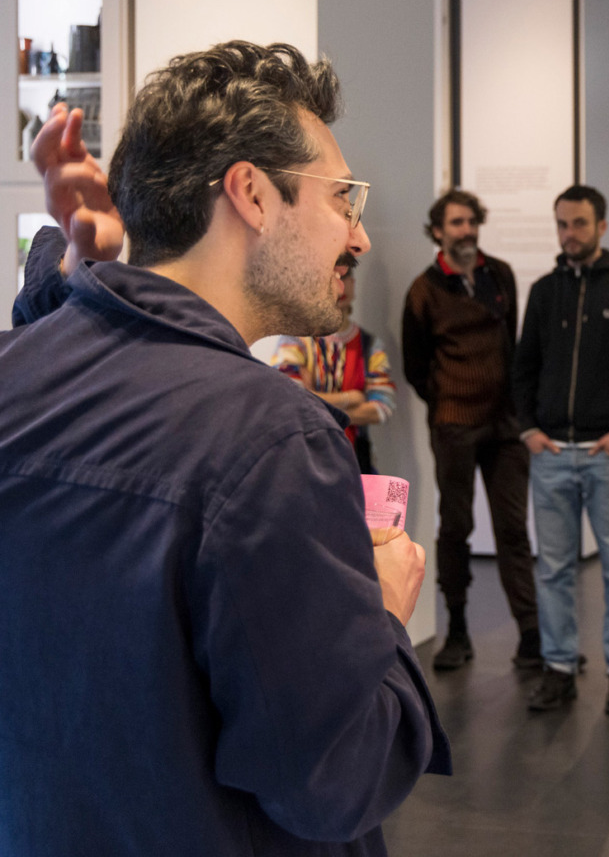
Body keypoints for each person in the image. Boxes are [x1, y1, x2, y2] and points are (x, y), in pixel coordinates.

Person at [0, 43, 450, 857]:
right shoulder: (272, 436)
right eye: (342, 199)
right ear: (250, 193)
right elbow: (334, 779)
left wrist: (78, 276)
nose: (359, 238)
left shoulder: (18, 376)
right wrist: (380, 615)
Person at [513, 185, 609, 715]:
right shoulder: (544, 291)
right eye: (561, 224)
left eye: (578, 223)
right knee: (552, 569)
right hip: (550, 454)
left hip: (606, 456)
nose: (568, 234)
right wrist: (528, 428)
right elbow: (523, 368)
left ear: (601, 226)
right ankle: (558, 667)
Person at [401, 189, 540, 672]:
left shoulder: (499, 275)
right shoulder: (423, 290)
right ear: (437, 231)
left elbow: (513, 343)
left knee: (513, 530)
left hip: (505, 426)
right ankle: (457, 630)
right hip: (455, 426)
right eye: (456, 223)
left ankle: (531, 635)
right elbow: (416, 367)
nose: (466, 230)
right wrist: (449, 402)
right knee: (456, 528)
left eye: (471, 222)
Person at [273, 269, 397, 475]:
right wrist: (353, 397)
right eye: (332, 274)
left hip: (356, 461)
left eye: (346, 276)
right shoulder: (296, 339)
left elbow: (383, 407)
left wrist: (315, 399)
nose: (341, 285)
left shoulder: (369, 345)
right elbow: (288, 399)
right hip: (306, 459)